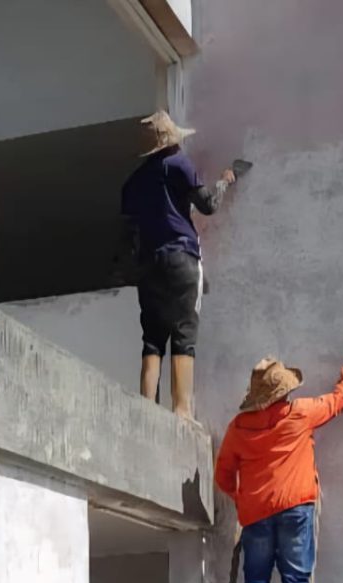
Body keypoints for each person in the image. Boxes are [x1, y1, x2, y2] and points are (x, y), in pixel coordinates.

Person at [215, 338, 343, 583]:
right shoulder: (300, 414)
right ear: (284, 392)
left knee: (255, 580)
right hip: (295, 508)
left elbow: (222, 475)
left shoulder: (238, 428)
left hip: (255, 515)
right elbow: (341, 399)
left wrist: (242, 499)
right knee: (294, 578)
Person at [121, 110, 238, 420]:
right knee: (184, 333)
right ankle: (182, 410)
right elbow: (208, 205)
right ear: (172, 141)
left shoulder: (134, 182)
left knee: (152, 338)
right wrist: (225, 181)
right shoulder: (178, 164)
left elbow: (130, 231)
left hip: (148, 264)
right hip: (180, 258)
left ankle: (146, 408)